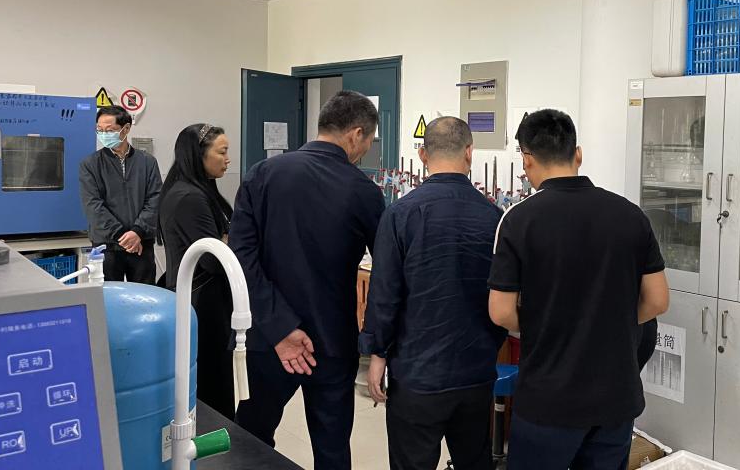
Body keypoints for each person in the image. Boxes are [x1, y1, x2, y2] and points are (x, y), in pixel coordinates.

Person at [488, 109, 670, 470]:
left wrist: (547, 323)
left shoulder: (519, 220)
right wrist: (610, 320)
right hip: (614, 400)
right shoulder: (630, 215)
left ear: (526, 160)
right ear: (578, 154)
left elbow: (500, 311)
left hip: (549, 401)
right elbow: (658, 300)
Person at [231, 91, 385, 469]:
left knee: (251, 442)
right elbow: (387, 270)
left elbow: (241, 258)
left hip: (268, 340)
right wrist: (379, 343)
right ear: (356, 134)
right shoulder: (363, 191)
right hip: (332, 342)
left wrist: (281, 329)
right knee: (332, 449)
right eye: (369, 140)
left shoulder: (262, 174)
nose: (366, 149)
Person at [360, 117, 506, 470]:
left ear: (423, 155)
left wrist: (377, 354)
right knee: (474, 461)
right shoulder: (495, 217)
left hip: (417, 374)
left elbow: (385, 293)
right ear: (469, 153)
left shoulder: (400, 214)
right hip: (476, 372)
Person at [158, 123, 236, 420]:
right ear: (198, 154)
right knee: (210, 383)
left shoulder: (198, 191)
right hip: (202, 303)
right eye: (222, 152)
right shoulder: (189, 197)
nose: (228, 159)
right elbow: (213, 259)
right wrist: (230, 242)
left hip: (204, 299)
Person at [79, 105, 162, 284]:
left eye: (110, 130)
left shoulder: (147, 162)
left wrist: (138, 231)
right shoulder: (90, 164)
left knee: (143, 294)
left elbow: (155, 199)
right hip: (107, 245)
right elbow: (93, 205)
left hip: (141, 242)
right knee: (108, 295)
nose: (104, 134)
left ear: (126, 129)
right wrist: (123, 236)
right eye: (99, 130)